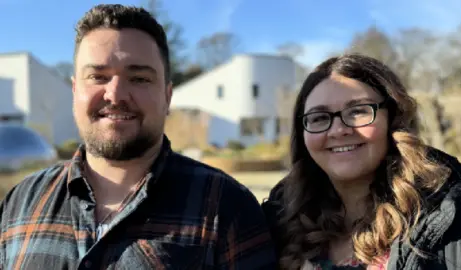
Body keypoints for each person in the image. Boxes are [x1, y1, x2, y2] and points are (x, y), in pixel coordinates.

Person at [0, 4, 277, 269]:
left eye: (140, 78)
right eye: (98, 76)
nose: (116, 95)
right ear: (75, 91)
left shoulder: (226, 206)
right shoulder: (20, 203)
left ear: (168, 96)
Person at [262, 54, 461, 270]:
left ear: (394, 119)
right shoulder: (271, 226)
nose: (338, 130)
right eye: (319, 117)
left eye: (358, 111)